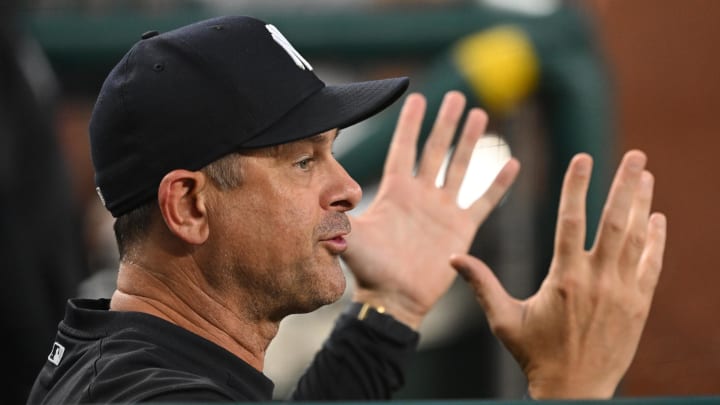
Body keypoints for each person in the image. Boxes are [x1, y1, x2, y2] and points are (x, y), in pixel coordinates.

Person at [26, 15, 666, 404]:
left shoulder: (128, 365)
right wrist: (569, 390)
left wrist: (393, 309)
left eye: (333, 154)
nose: (349, 188)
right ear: (190, 206)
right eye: (303, 162)